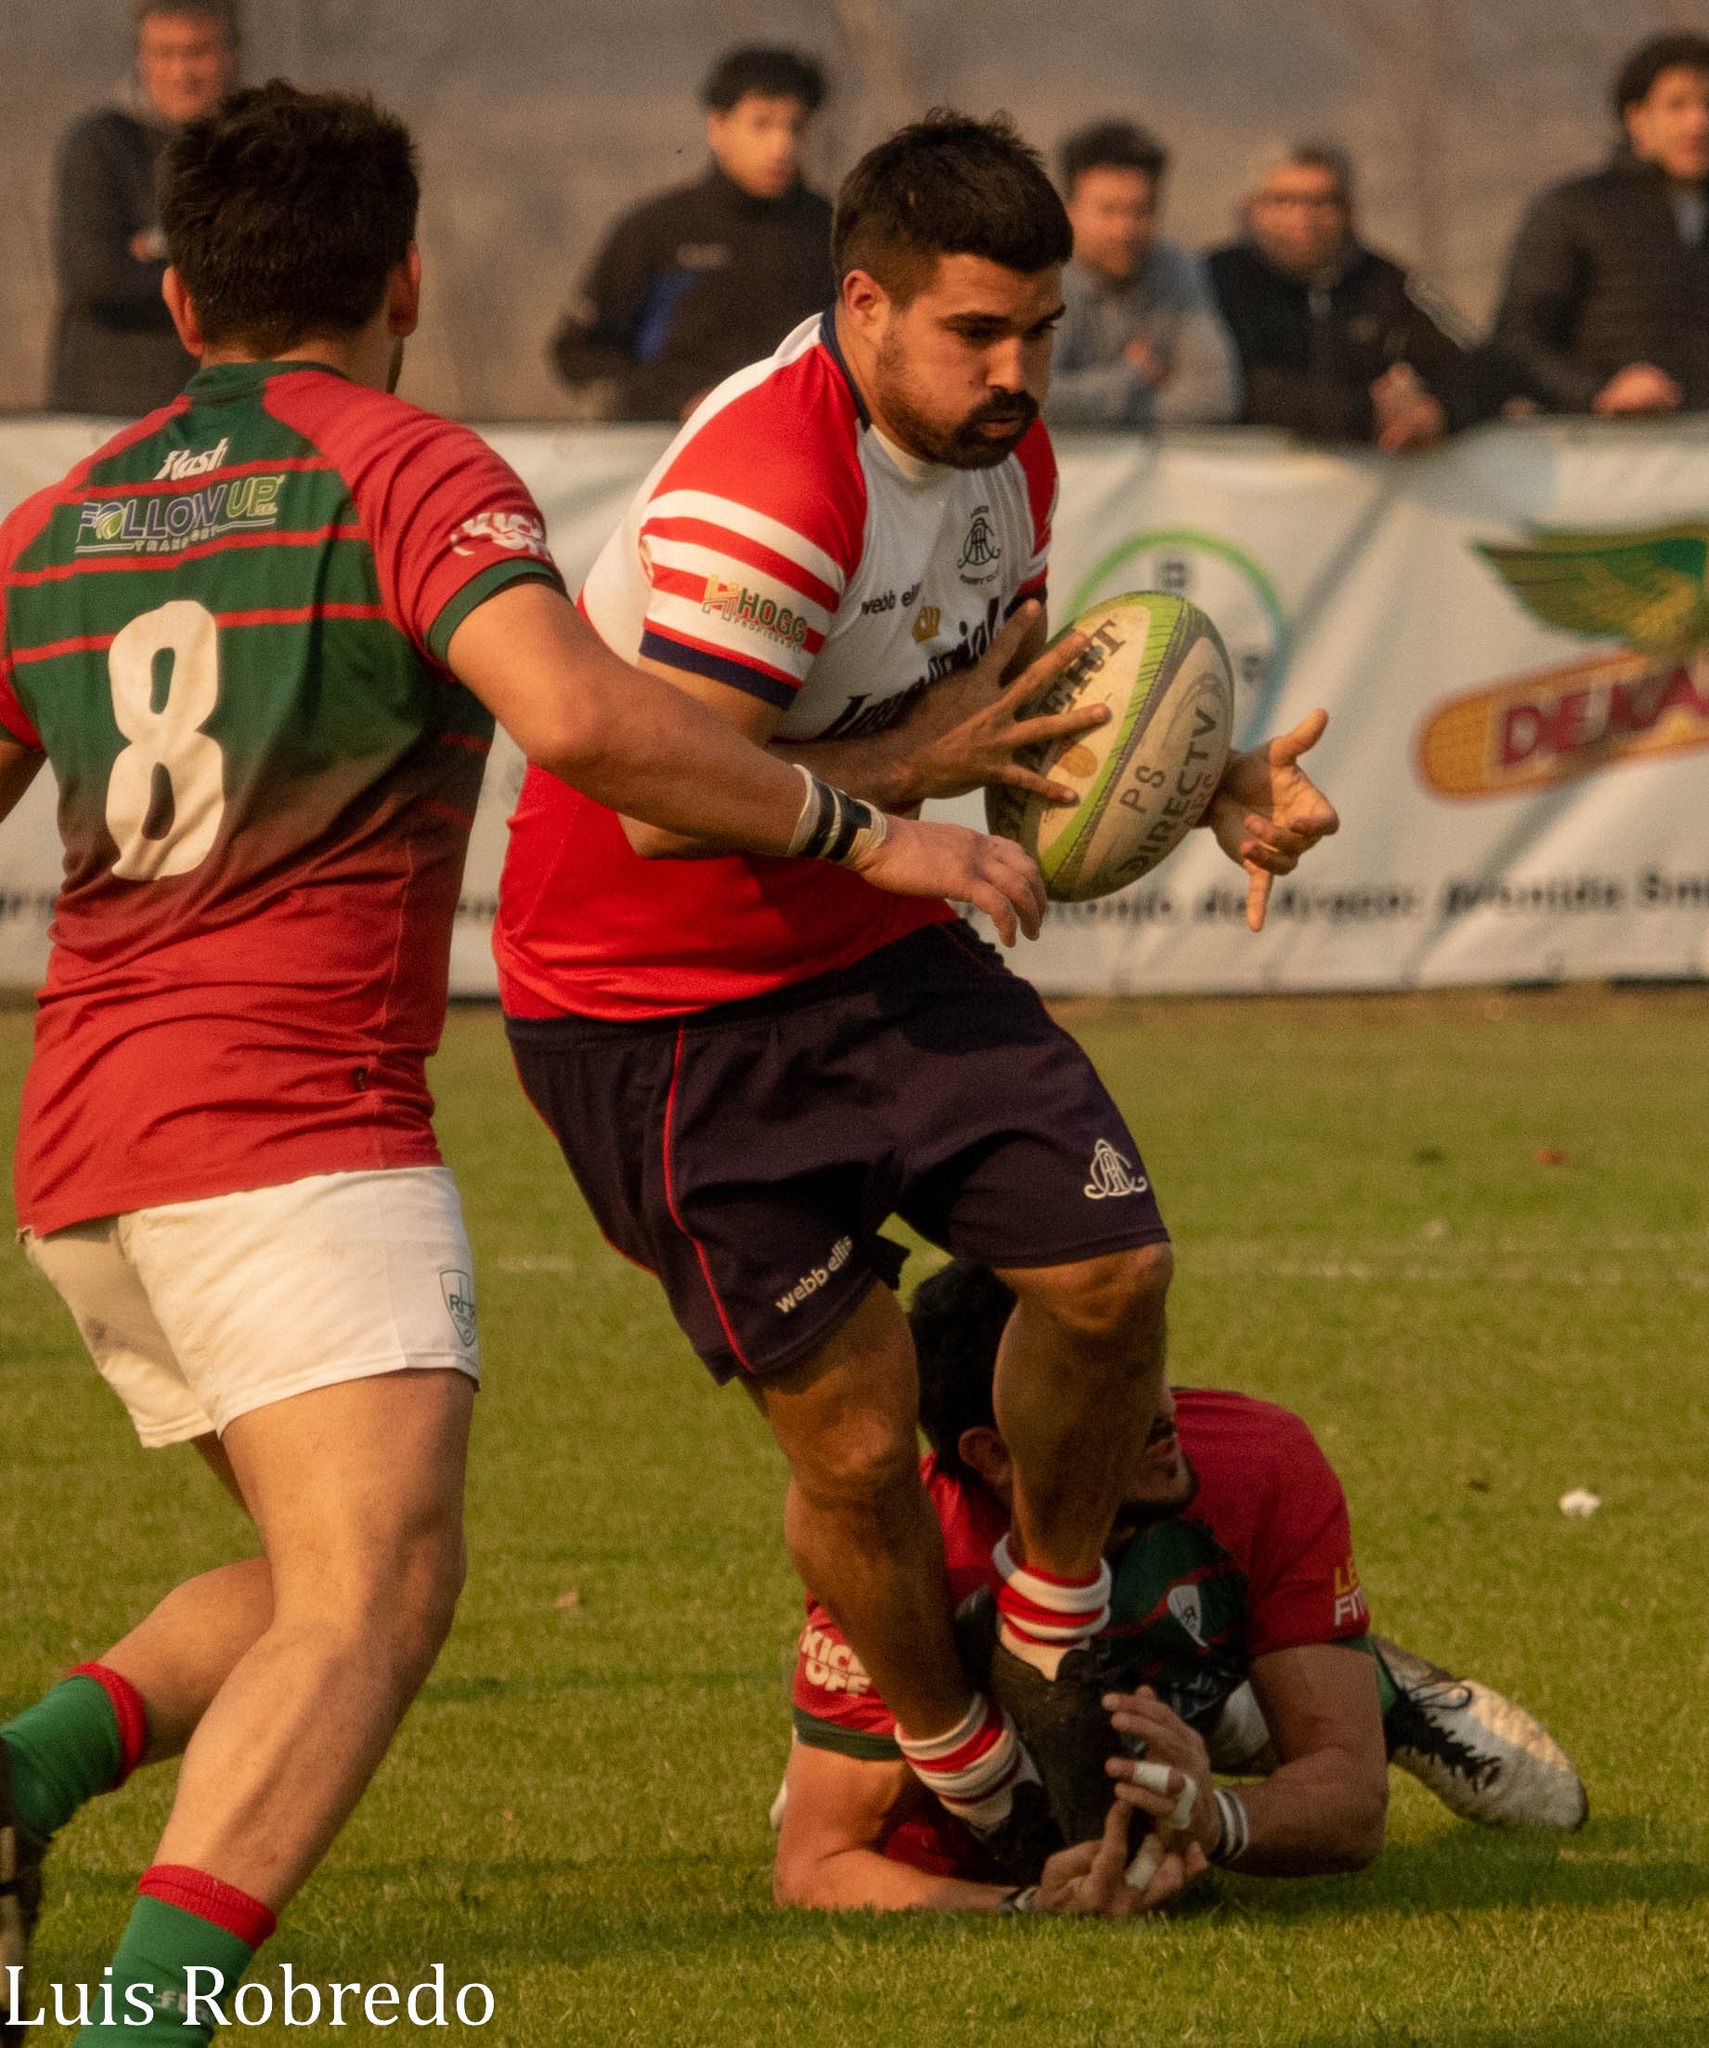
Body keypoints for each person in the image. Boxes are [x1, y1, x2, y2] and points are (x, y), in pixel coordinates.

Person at [0, 83, 1041, 2048]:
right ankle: (143, 2026)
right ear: (405, 274)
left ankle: (29, 1770)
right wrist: (862, 827)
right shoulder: (408, 469)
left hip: (85, 1155)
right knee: (376, 1604)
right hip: (287, 1132)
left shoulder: (57, 520)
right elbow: (586, 717)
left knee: (321, 1571)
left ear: (172, 293)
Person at [495, 112, 1339, 1882]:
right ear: (863, 303)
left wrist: (1216, 776)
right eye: (976, 332)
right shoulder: (770, 487)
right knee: (867, 1434)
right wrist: (897, 806)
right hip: (660, 1005)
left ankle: (1048, 1623)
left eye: (1035, 327)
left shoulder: (997, 456)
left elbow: (1009, 704)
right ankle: (955, 1765)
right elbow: (663, 799)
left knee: (1111, 1271)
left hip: (865, 942)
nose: (1019, 369)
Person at [775, 1261, 1588, 1914]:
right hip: (989, 1740)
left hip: (1164, 1672)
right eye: (1110, 1404)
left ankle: (1335, 1694)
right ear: (993, 1453)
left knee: (1194, 1708)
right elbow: (814, 1864)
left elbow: (1348, 1805)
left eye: (1149, 1371)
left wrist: (1217, 1818)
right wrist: (1022, 1904)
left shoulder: (1253, 1460)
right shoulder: (902, 1559)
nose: (1162, 1411)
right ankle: (1239, 1704)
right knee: (844, 1795)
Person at [1494, 34, 1709, 418]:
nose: (1699, 122)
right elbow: (1517, 344)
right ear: (1635, 117)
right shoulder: (1570, 211)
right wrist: (1601, 392)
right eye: (1677, 105)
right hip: (1599, 458)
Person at [550, 45, 835, 421]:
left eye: (795, 127)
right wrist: (679, 402)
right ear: (718, 126)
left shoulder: (833, 230)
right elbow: (577, 352)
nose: (781, 145)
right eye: (762, 124)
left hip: (805, 445)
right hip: (670, 448)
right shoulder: (657, 230)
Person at [1204, 143, 1475, 449]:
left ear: (1349, 210)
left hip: (1374, 484)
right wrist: (1365, 415)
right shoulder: (1211, 281)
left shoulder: (1389, 282)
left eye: (1322, 202)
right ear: (1251, 208)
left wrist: (1434, 412)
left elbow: (1478, 367)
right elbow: (1230, 385)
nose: (1304, 216)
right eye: (1284, 201)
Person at [48, 0, 239, 414]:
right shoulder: (100, 143)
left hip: (225, 410)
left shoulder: (258, 149)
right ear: (140, 57)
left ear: (232, 53)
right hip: (108, 413)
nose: (180, 73)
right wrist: (226, 273)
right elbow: (95, 276)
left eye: (197, 53)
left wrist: (153, 248)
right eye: (164, 53)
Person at [1043, 119, 1239, 426]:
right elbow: (1039, 400)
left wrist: (1102, 411)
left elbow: (1216, 396)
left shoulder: (1176, 267)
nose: (1125, 230)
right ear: (1069, 211)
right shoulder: (1043, 276)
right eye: (1108, 210)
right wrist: (1132, 377)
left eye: (1141, 210)